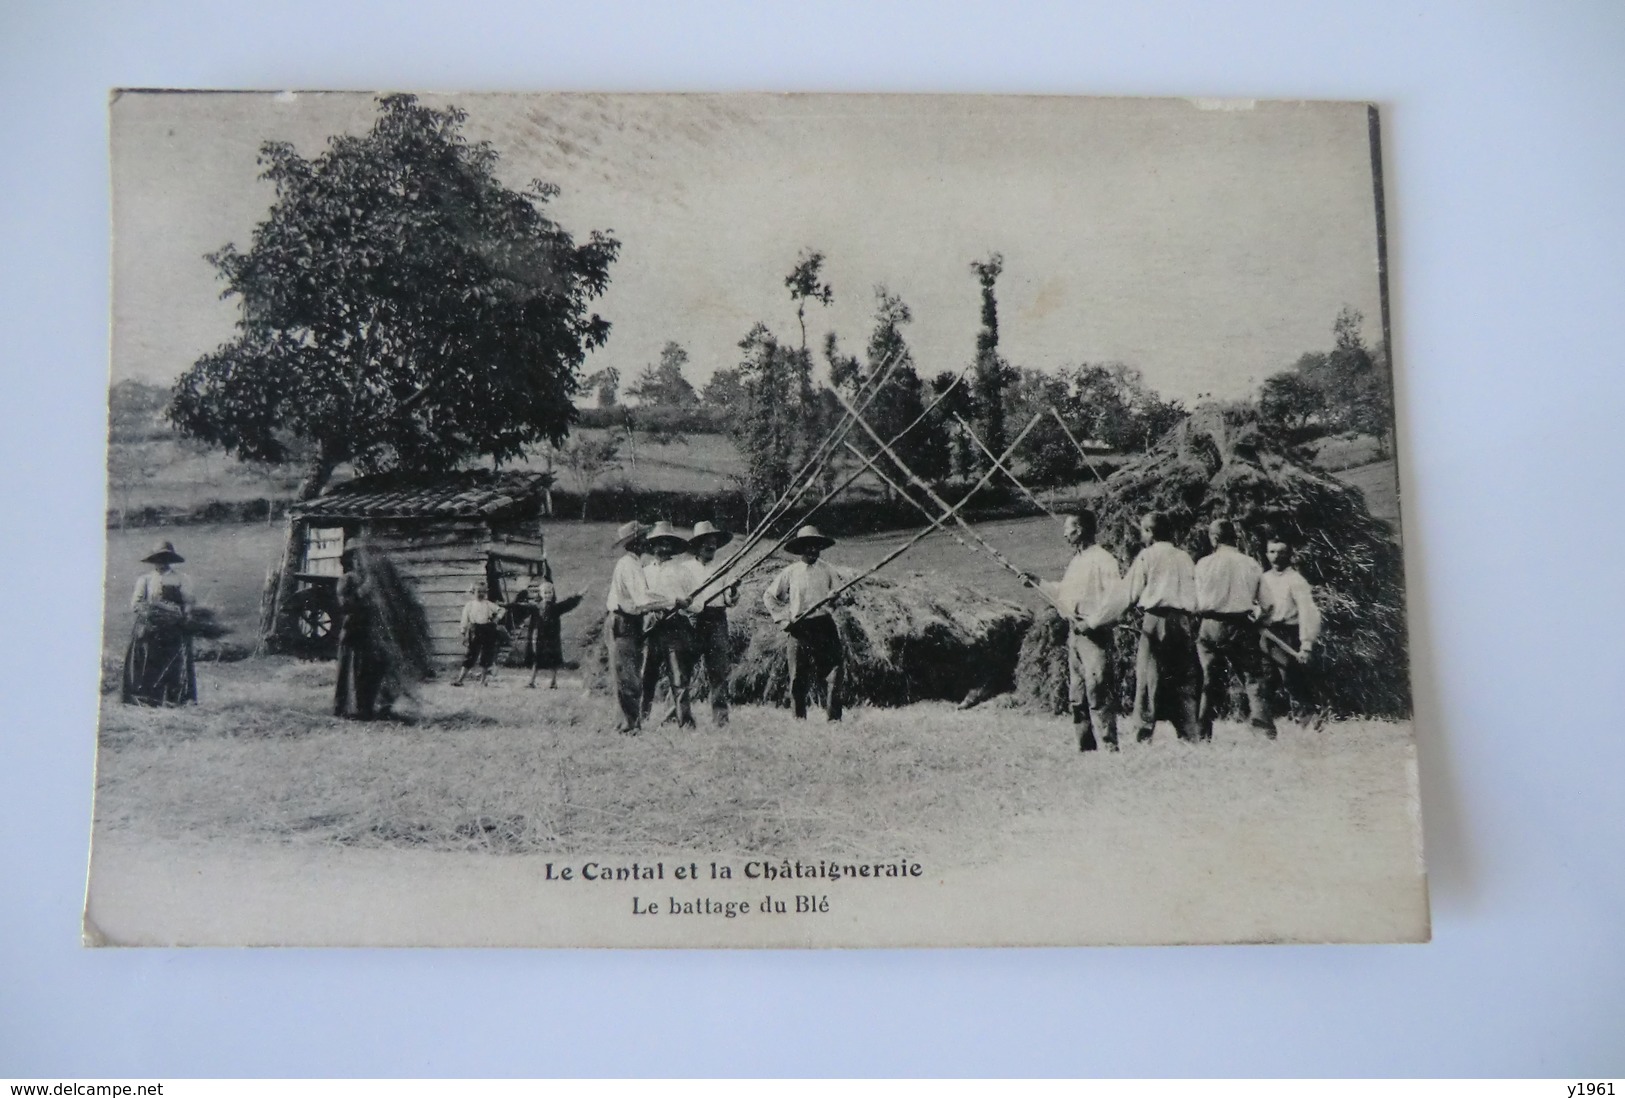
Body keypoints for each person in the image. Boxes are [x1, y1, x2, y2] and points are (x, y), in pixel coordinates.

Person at [1025, 510, 1127, 752]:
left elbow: (1116, 600)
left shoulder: (1104, 560)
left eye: (1068, 528)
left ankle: (1110, 747)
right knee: (1077, 694)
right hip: (1075, 635)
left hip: (1094, 635)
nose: (1064, 533)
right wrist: (1038, 583)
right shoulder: (1077, 561)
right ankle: (1086, 748)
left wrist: (1091, 623)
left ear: (1080, 530)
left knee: (1098, 690)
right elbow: (1065, 595)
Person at [1123, 511, 1201, 742]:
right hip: (1183, 620)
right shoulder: (1184, 557)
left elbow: (1131, 592)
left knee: (1149, 675)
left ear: (1149, 532)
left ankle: (1143, 732)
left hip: (1156, 619)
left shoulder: (1147, 556)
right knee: (1184, 675)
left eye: (1143, 530)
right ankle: (1189, 733)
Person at [1193, 517, 1269, 742]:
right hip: (1240, 625)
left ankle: (1201, 734)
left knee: (1207, 679)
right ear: (1234, 538)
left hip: (1210, 625)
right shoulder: (1250, 563)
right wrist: (1259, 620)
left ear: (1214, 538)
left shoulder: (1203, 564)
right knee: (1253, 678)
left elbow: (1194, 602)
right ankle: (1263, 732)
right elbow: (1268, 603)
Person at [763, 525, 845, 721]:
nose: (813, 550)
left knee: (834, 671)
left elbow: (842, 597)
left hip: (824, 625)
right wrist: (783, 619)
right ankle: (799, 719)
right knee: (798, 676)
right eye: (808, 546)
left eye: (816, 546)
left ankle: (834, 719)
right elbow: (769, 596)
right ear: (800, 549)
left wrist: (835, 597)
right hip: (800, 627)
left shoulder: (828, 570)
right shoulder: (790, 572)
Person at [604, 521, 679, 734]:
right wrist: (672, 601)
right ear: (636, 542)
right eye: (644, 538)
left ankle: (627, 723)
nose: (648, 542)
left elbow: (647, 595)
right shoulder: (628, 565)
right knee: (628, 677)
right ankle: (629, 727)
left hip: (630, 622)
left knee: (631, 674)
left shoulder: (634, 564)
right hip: (623, 621)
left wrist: (670, 599)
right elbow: (641, 601)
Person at [1256, 533, 1324, 732]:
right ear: (1266, 554)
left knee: (1291, 679)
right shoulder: (1263, 578)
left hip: (1288, 635)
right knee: (1264, 680)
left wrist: (1306, 643)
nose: (1276, 556)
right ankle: (1264, 729)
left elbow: (1307, 611)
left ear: (1290, 555)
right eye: (1272, 552)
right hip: (1267, 634)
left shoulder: (1296, 580)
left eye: (1281, 552)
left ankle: (1310, 722)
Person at [121, 540, 197, 706]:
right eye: (158, 558)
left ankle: (175, 699)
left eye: (164, 558)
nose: (161, 562)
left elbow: (189, 602)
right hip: (150, 628)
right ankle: (146, 698)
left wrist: (182, 615)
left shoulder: (181, 579)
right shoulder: (145, 580)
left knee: (174, 663)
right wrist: (149, 612)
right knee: (148, 662)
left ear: (170, 559)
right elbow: (136, 603)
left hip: (173, 629)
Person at [639, 521, 700, 729]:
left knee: (678, 677)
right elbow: (639, 600)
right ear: (651, 546)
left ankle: (685, 722)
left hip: (675, 626)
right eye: (658, 543)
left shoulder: (682, 571)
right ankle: (641, 719)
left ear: (673, 546)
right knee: (646, 675)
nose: (663, 547)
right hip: (650, 627)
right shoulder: (644, 572)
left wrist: (685, 604)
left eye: (667, 543)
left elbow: (698, 604)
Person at [684, 520, 740, 726]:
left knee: (718, 670)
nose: (711, 546)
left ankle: (720, 718)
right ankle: (679, 714)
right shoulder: (685, 569)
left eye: (714, 542)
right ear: (697, 545)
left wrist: (733, 590)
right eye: (706, 542)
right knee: (684, 670)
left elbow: (730, 600)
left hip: (717, 620)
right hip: (692, 620)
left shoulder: (724, 569)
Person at [513, 562, 584, 689]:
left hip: (552, 637)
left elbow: (569, 603)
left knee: (554, 659)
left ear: (553, 593)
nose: (548, 595)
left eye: (550, 592)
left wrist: (579, 596)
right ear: (541, 594)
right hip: (539, 637)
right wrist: (506, 605)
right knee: (536, 658)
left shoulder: (556, 608)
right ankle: (532, 681)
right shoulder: (536, 607)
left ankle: (553, 681)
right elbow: (521, 606)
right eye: (545, 593)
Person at [334, 547, 385, 719]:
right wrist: (364, 591)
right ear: (351, 562)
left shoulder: (371, 579)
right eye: (356, 559)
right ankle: (349, 708)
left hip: (368, 631)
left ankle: (365, 707)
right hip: (353, 629)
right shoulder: (346, 580)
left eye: (362, 558)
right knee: (351, 668)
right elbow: (344, 605)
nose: (360, 562)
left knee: (367, 669)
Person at [452, 580, 504, 687]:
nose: (481, 594)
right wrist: (463, 630)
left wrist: (496, 619)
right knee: (470, 655)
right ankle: (460, 679)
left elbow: (502, 610)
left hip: (487, 630)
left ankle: (483, 680)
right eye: (478, 591)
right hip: (474, 630)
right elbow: (464, 618)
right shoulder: (470, 605)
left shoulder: (488, 604)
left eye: (483, 592)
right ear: (473, 592)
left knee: (486, 655)